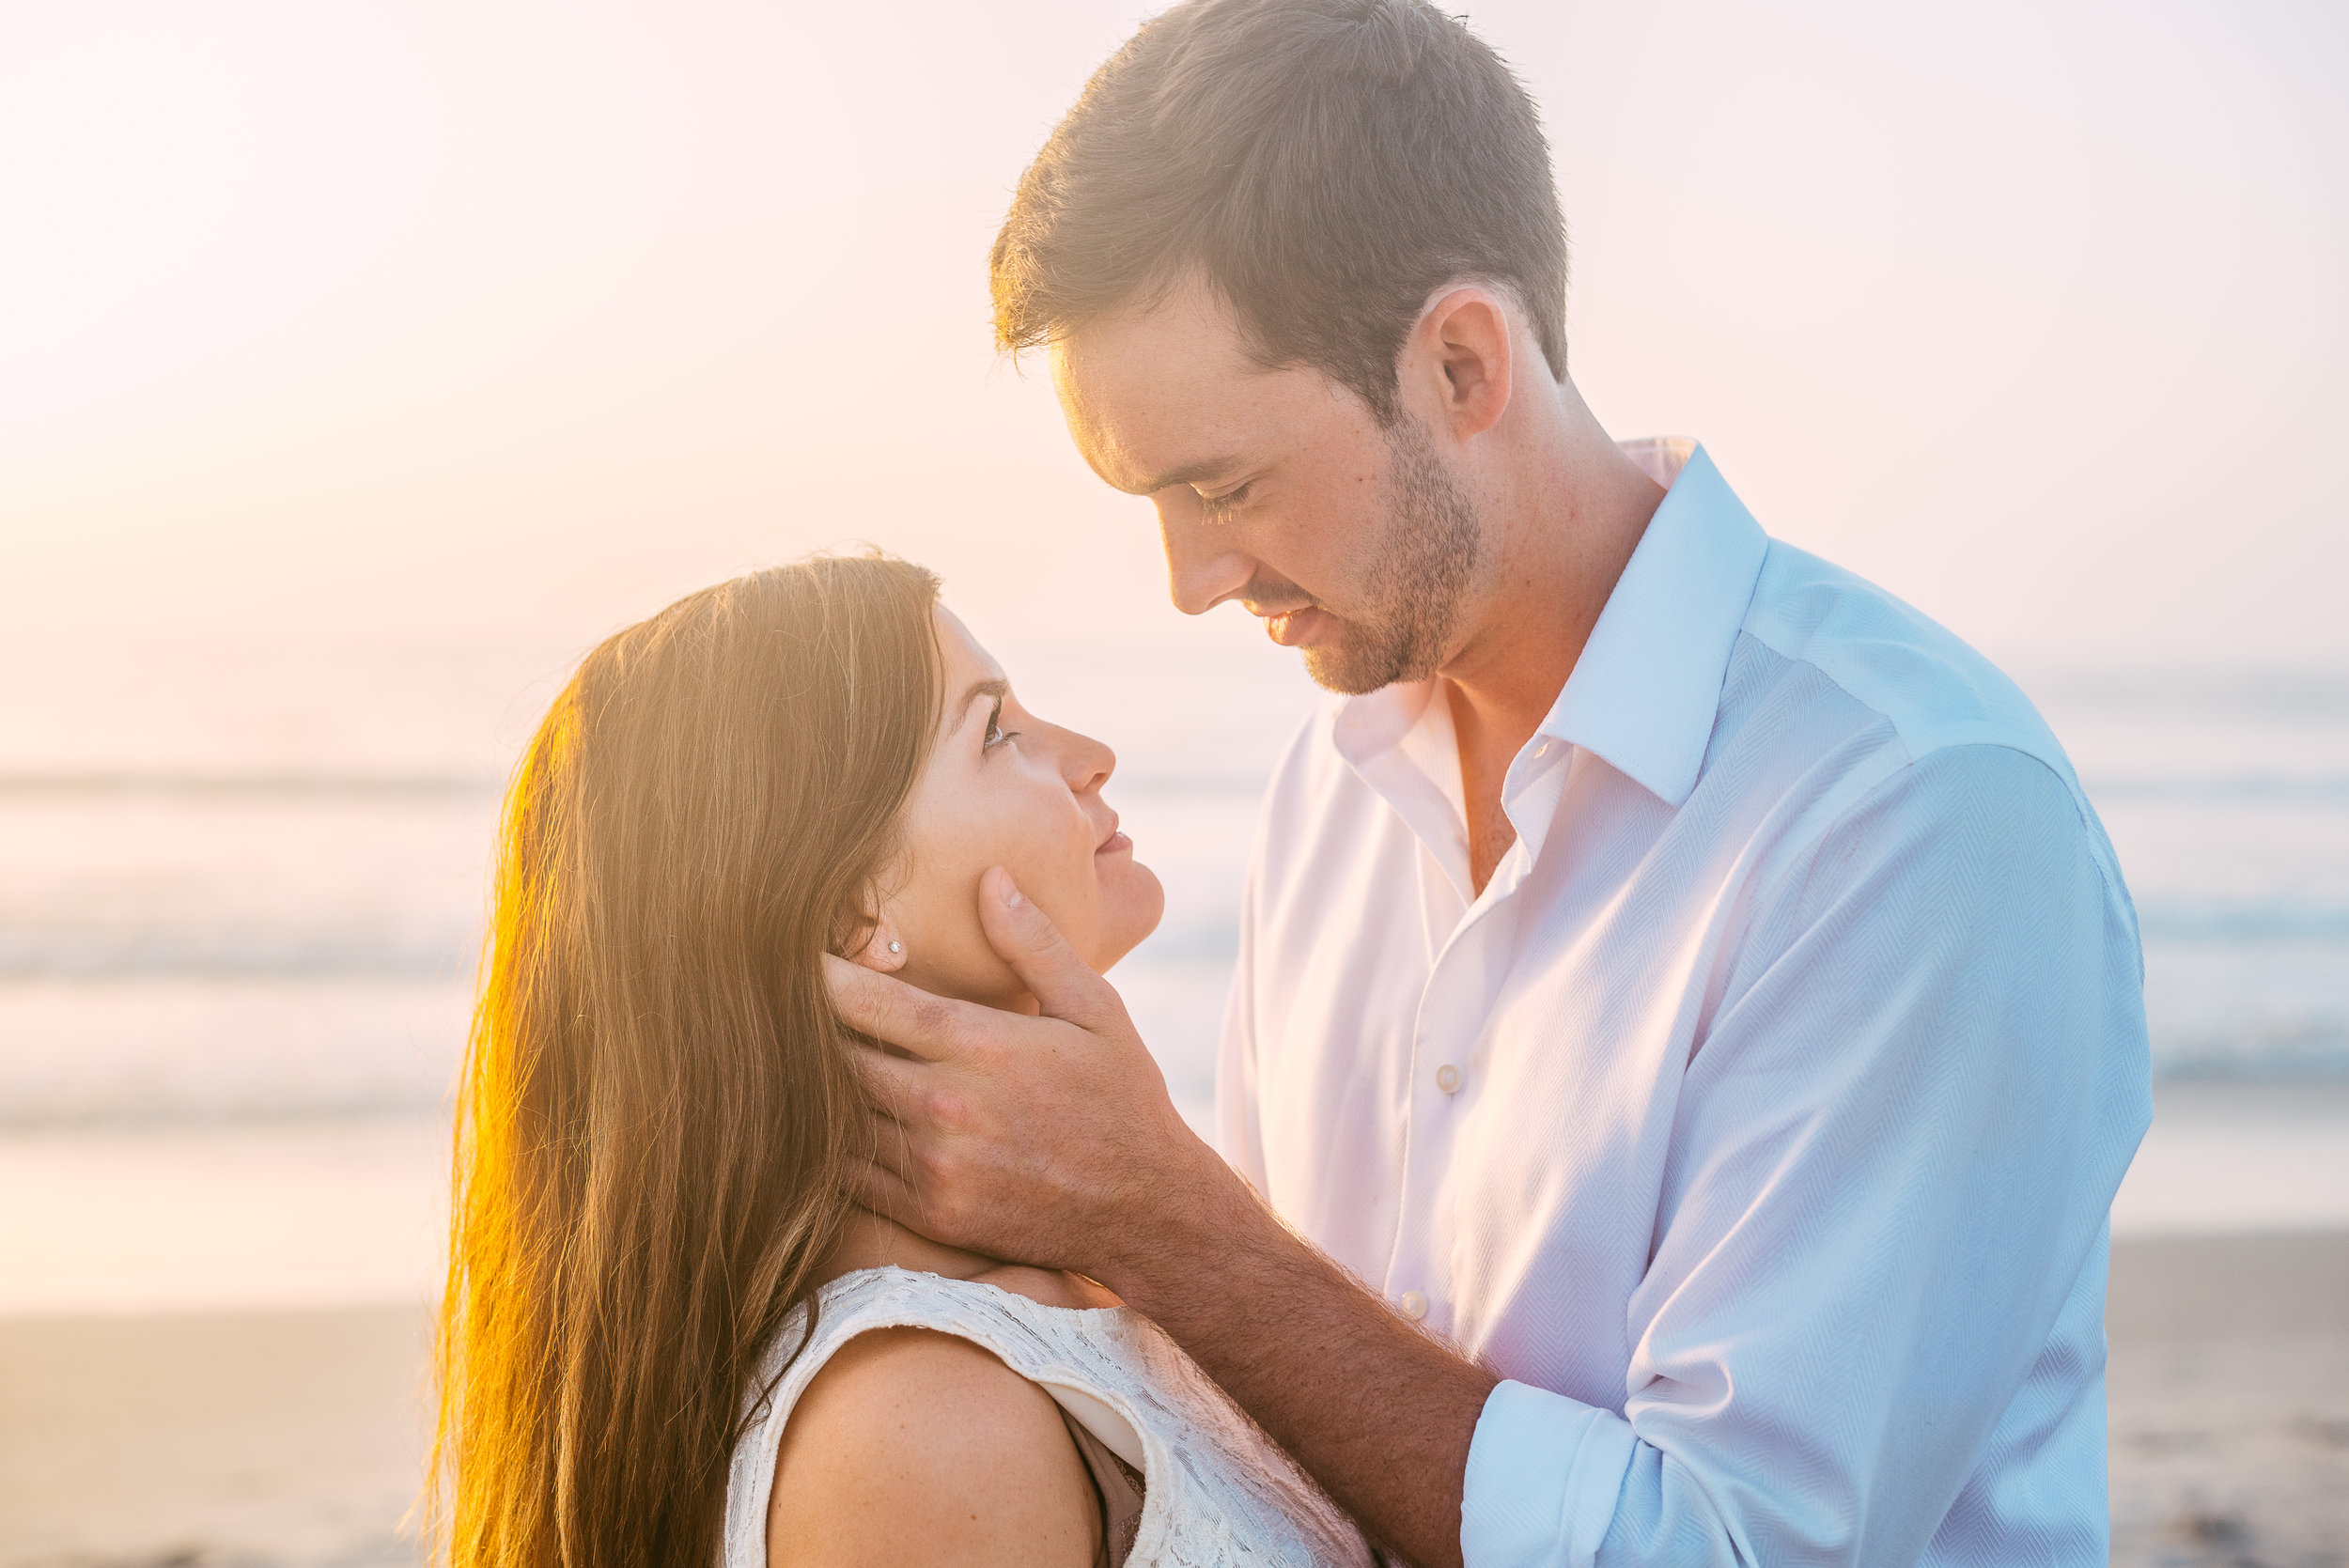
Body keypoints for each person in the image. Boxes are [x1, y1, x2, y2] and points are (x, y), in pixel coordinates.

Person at [828, 2, 2155, 1565]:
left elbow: (1731, 1547)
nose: (1192, 578)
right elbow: (1284, 1435)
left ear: (1463, 361)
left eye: (1225, 483)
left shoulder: (1915, 819)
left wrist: (1162, 1219)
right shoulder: (1331, 783)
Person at [429, 554, 1372, 1568]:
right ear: (850, 909)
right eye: (996, 732)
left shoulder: (1056, 1286)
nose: (1089, 755)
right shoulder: (924, 1422)